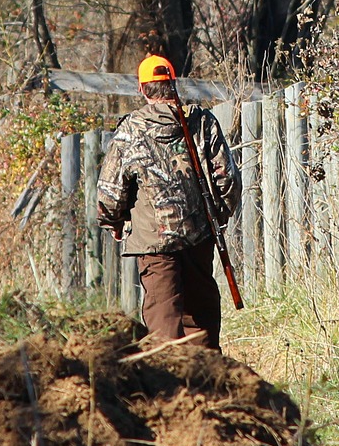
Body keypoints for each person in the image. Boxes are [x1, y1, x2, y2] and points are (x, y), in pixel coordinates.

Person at [97, 54, 240, 351]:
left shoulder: (131, 130)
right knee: (201, 318)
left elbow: (110, 191)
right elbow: (227, 179)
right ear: (172, 83)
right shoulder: (202, 122)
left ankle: (170, 386)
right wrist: (218, 216)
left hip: (154, 244)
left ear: (142, 89)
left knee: (163, 320)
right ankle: (209, 382)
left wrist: (113, 220)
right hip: (199, 236)